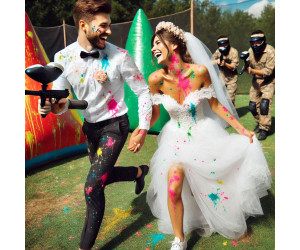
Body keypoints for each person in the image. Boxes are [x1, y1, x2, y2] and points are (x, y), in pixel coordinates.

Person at [141, 22, 271, 250]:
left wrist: (242, 129)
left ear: (173, 45)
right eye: (153, 46)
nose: (153, 49)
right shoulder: (156, 80)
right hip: (175, 141)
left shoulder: (199, 72)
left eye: (157, 43)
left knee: (212, 183)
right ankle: (179, 240)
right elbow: (154, 116)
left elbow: (216, 105)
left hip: (204, 135)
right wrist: (140, 131)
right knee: (173, 186)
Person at [37, 1, 152, 249]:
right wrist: (50, 107)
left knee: (92, 187)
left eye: (109, 25)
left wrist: (142, 128)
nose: (109, 30)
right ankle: (138, 172)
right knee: (103, 178)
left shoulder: (120, 56)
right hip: (90, 128)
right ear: (83, 25)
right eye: (103, 25)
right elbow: (62, 103)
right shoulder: (62, 58)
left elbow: (143, 91)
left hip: (115, 126)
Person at [246, 30, 275, 140]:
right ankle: (259, 123)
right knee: (252, 106)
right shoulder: (250, 51)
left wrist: (252, 71)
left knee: (264, 105)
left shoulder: (271, 51)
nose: (254, 45)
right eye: (252, 43)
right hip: (256, 81)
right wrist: (245, 64)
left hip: (268, 81)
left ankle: (264, 129)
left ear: (263, 41)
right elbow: (248, 63)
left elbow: (268, 71)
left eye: (257, 42)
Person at [213, 35, 239, 106]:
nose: (223, 46)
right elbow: (210, 62)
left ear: (228, 43)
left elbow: (234, 67)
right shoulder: (218, 52)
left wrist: (225, 64)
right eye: (221, 45)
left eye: (224, 44)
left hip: (231, 79)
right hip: (221, 78)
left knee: (230, 100)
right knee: (219, 98)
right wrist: (216, 61)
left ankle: (231, 115)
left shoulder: (234, 52)